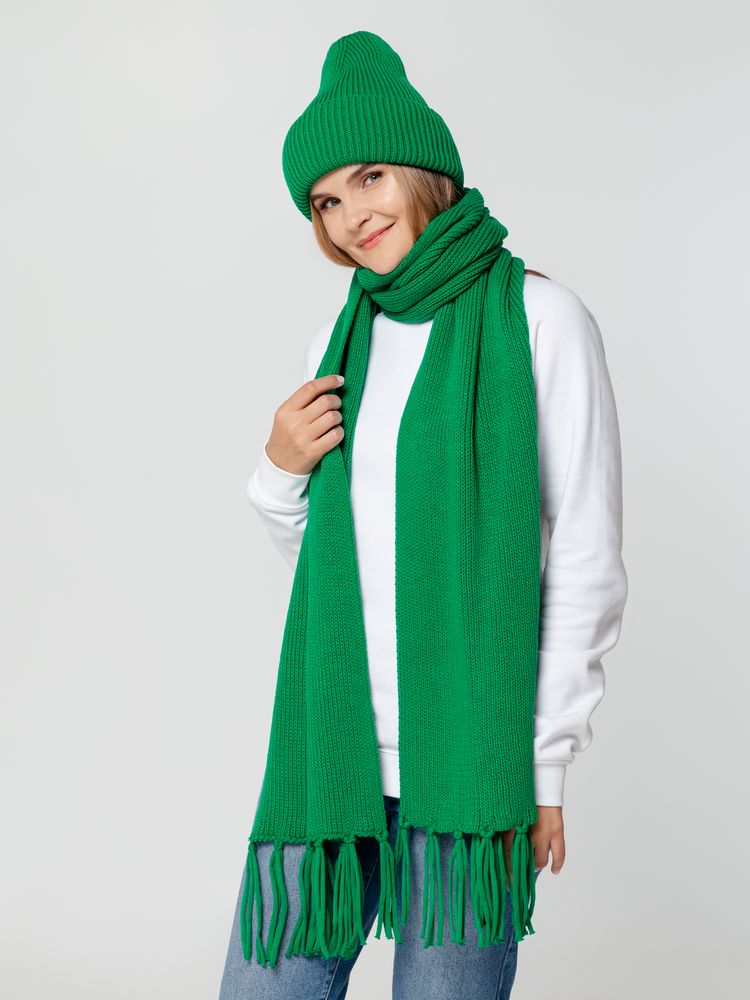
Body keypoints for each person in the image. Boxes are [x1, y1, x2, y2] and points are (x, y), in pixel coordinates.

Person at [219, 30, 628, 1000]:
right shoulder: (341, 338)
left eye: (368, 177)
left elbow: (585, 559)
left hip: (470, 763)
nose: (352, 215)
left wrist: (545, 767)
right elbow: (334, 558)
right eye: (326, 200)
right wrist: (278, 469)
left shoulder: (542, 321)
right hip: (333, 751)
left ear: (422, 169)